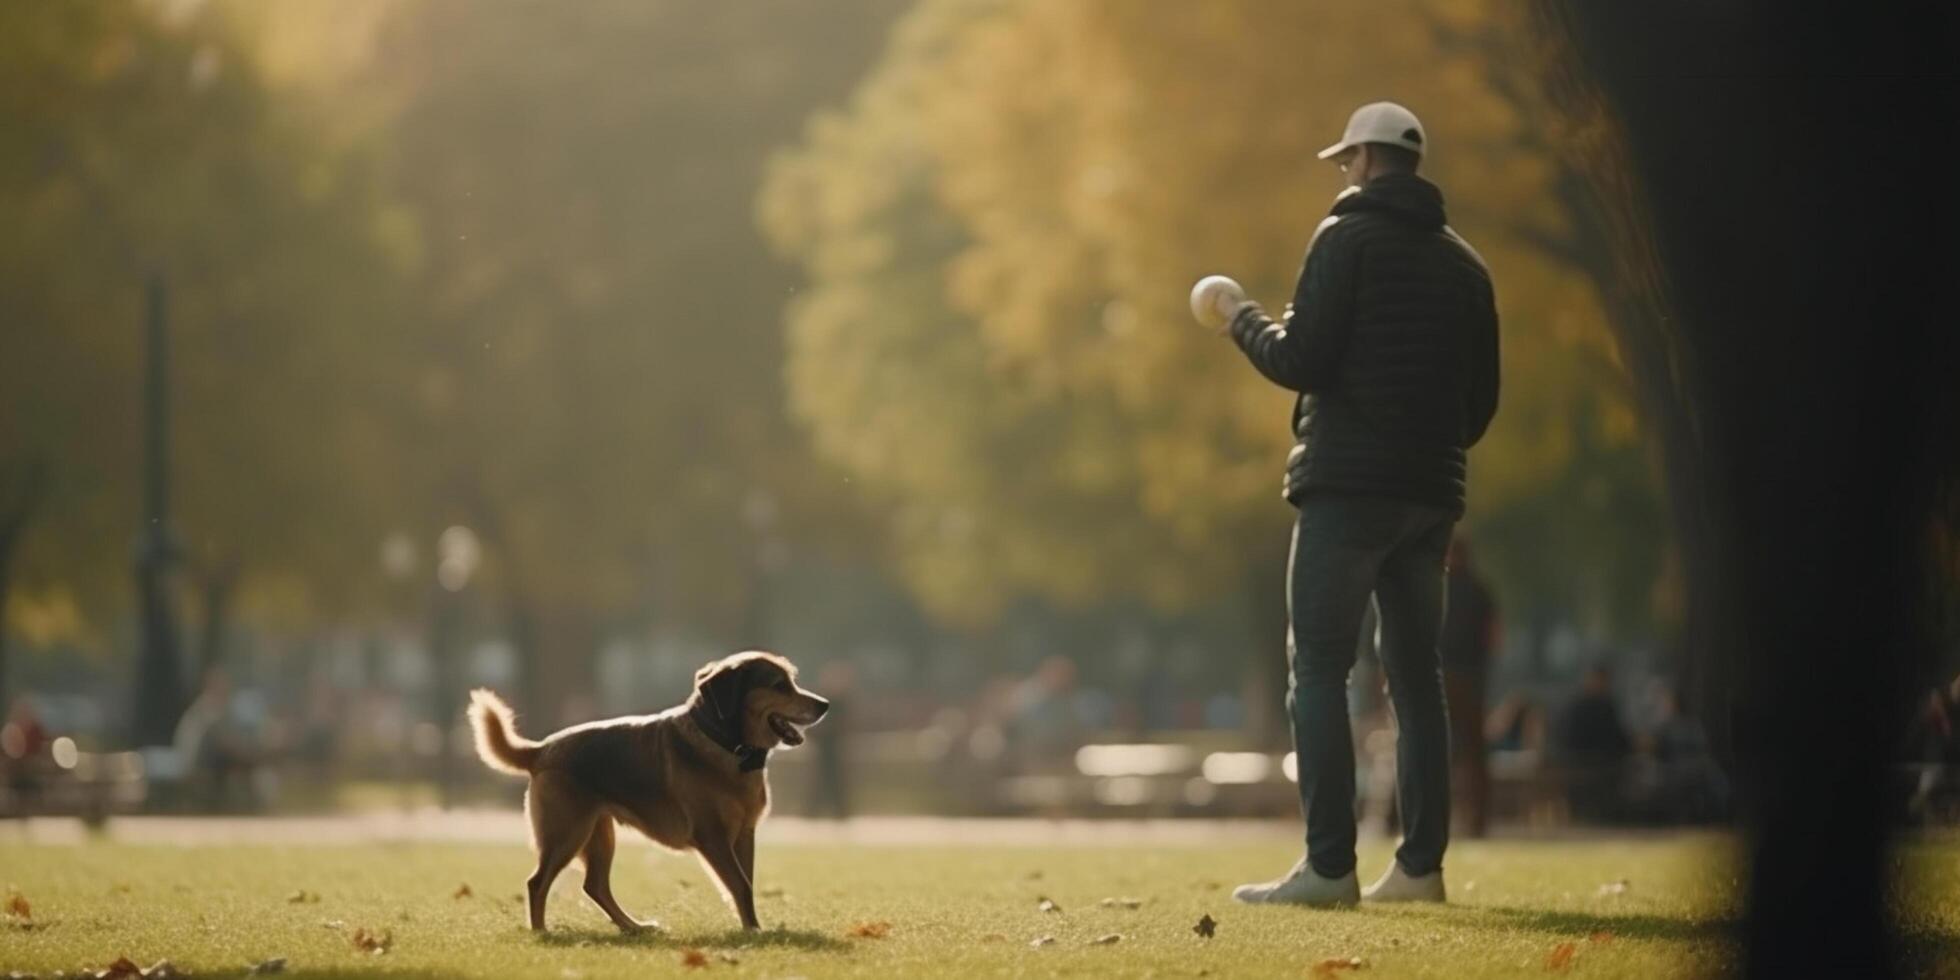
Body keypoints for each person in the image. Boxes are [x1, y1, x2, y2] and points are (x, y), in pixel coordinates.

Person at [1199, 102, 1500, 906]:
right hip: (1432, 496)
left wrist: (1241, 319)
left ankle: (1330, 868)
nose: (1342, 173)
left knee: (1320, 671)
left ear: (1367, 160)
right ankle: (1420, 870)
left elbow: (1300, 357)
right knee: (1416, 679)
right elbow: (1481, 405)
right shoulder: (1468, 266)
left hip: (1346, 491)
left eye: (1346, 161)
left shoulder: (1345, 239)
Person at [1439, 536, 1499, 837]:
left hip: (1441, 675)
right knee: (1473, 752)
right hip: (1472, 677)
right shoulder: (1481, 590)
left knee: (1437, 747)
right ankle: (1476, 819)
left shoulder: (1438, 587)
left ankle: (1435, 817)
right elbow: (1494, 636)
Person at [1553, 664, 1632, 822]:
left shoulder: (1575, 704)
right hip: (1597, 763)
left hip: (1573, 762)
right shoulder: (1602, 706)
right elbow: (1617, 738)